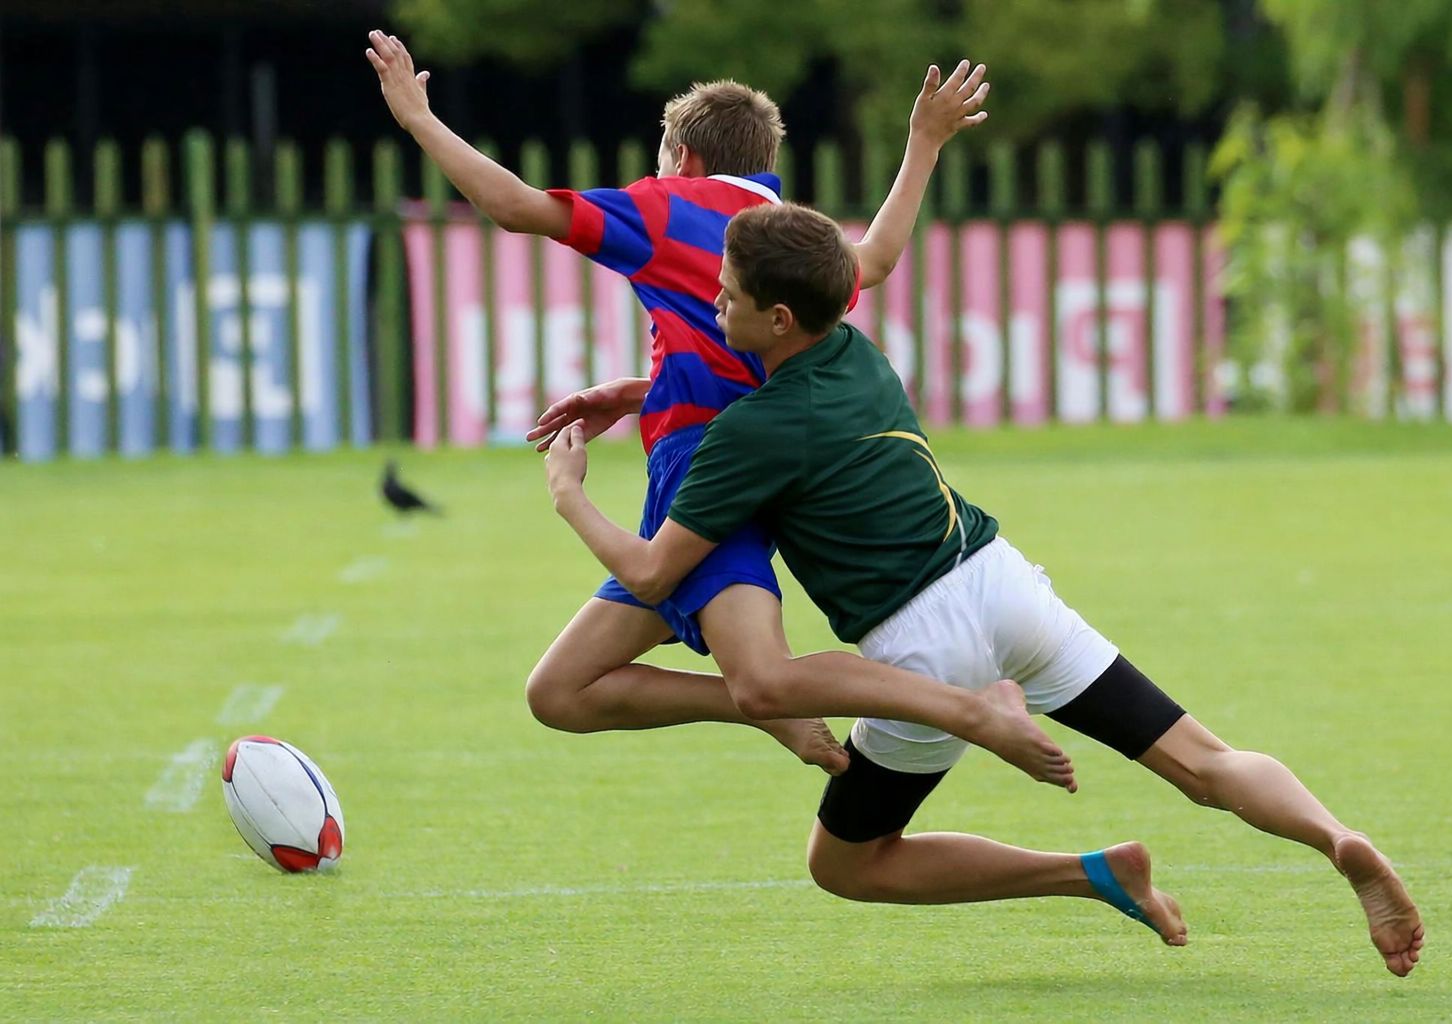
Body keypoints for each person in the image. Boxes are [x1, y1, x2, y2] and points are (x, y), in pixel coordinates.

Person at [541, 202, 1426, 976]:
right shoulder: (856, 351)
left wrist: (572, 496)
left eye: (726, 294)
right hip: (1005, 585)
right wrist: (644, 388)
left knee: (845, 862)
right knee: (1206, 763)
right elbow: (862, 266)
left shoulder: (750, 435)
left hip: (927, 647)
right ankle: (1333, 836)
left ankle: (1006, 762)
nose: (713, 302)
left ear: (777, 318)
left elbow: (655, 571)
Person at [368, 30, 1077, 787]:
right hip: (757, 455)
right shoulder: (781, 228)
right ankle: (772, 711)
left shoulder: (665, 206)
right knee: (560, 690)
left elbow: (514, 206)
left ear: (686, 161)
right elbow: (873, 261)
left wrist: (416, 117)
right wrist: (924, 142)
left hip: (705, 472)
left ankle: (957, 709)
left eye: (662, 160)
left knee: (760, 675)